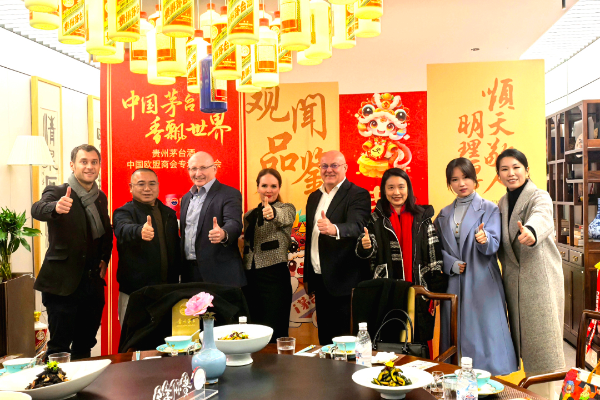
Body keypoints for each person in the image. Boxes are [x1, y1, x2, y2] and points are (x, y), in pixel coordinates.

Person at [434, 158, 517, 376]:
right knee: (454, 337)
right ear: (449, 183)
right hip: (454, 282)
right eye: (455, 179)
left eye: (466, 177)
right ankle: (456, 383)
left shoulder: (490, 209)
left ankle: (486, 384)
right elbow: (435, 249)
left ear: (474, 179)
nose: (461, 183)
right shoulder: (443, 214)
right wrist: (450, 264)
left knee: (485, 336)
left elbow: (494, 244)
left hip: (483, 282)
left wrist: (484, 239)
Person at [31, 144, 112, 359]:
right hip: (62, 284)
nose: (89, 167)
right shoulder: (58, 192)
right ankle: (56, 381)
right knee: (59, 347)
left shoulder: (100, 197)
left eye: (94, 162)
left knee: (84, 345)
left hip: (91, 285)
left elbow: (106, 231)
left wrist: (105, 258)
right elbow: (37, 209)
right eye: (84, 162)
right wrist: (55, 207)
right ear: (72, 165)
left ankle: (82, 382)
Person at [356, 168, 446, 343]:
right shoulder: (374, 219)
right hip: (386, 291)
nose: (396, 192)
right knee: (387, 341)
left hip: (419, 291)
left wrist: (435, 290)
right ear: (383, 191)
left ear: (408, 189)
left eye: (401, 187)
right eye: (390, 188)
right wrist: (365, 246)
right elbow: (366, 253)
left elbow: (434, 255)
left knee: (418, 342)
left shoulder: (423, 217)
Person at [496, 148, 565, 376]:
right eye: (504, 169)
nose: (511, 173)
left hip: (539, 283)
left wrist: (532, 231)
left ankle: (547, 392)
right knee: (526, 348)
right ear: (498, 175)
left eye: (516, 167)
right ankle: (532, 390)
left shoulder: (539, 196)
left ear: (526, 170)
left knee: (545, 352)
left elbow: (542, 216)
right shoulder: (502, 203)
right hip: (514, 286)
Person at [304, 150, 371, 345]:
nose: (329, 170)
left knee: (346, 342)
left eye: (334, 165)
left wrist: (334, 229)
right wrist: (308, 276)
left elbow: (358, 225)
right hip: (319, 280)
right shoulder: (313, 197)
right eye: (324, 166)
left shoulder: (357, 194)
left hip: (345, 281)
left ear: (345, 168)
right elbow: (310, 238)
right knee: (325, 341)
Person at [113, 168, 181, 326]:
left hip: (167, 291)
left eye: (152, 184)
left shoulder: (169, 214)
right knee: (133, 337)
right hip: (136, 292)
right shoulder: (124, 212)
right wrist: (139, 231)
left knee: (165, 336)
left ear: (158, 186)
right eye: (141, 184)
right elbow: (123, 228)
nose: (147, 188)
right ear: (131, 187)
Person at [242, 169, 296, 342]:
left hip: (275, 277)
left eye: (273, 186)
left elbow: (283, 217)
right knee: (253, 331)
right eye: (264, 185)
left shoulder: (287, 208)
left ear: (279, 188)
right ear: (257, 187)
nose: (268, 190)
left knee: (275, 329)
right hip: (250, 278)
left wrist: (272, 213)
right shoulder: (249, 215)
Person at [180, 151, 246, 287]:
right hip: (190, 273)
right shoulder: (186, 198)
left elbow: (234, 222)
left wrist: (223, 233)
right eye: (193, 168)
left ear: (214, 169)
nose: (198, 173)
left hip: (219, 274)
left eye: (203, 168)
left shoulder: (229, 193)